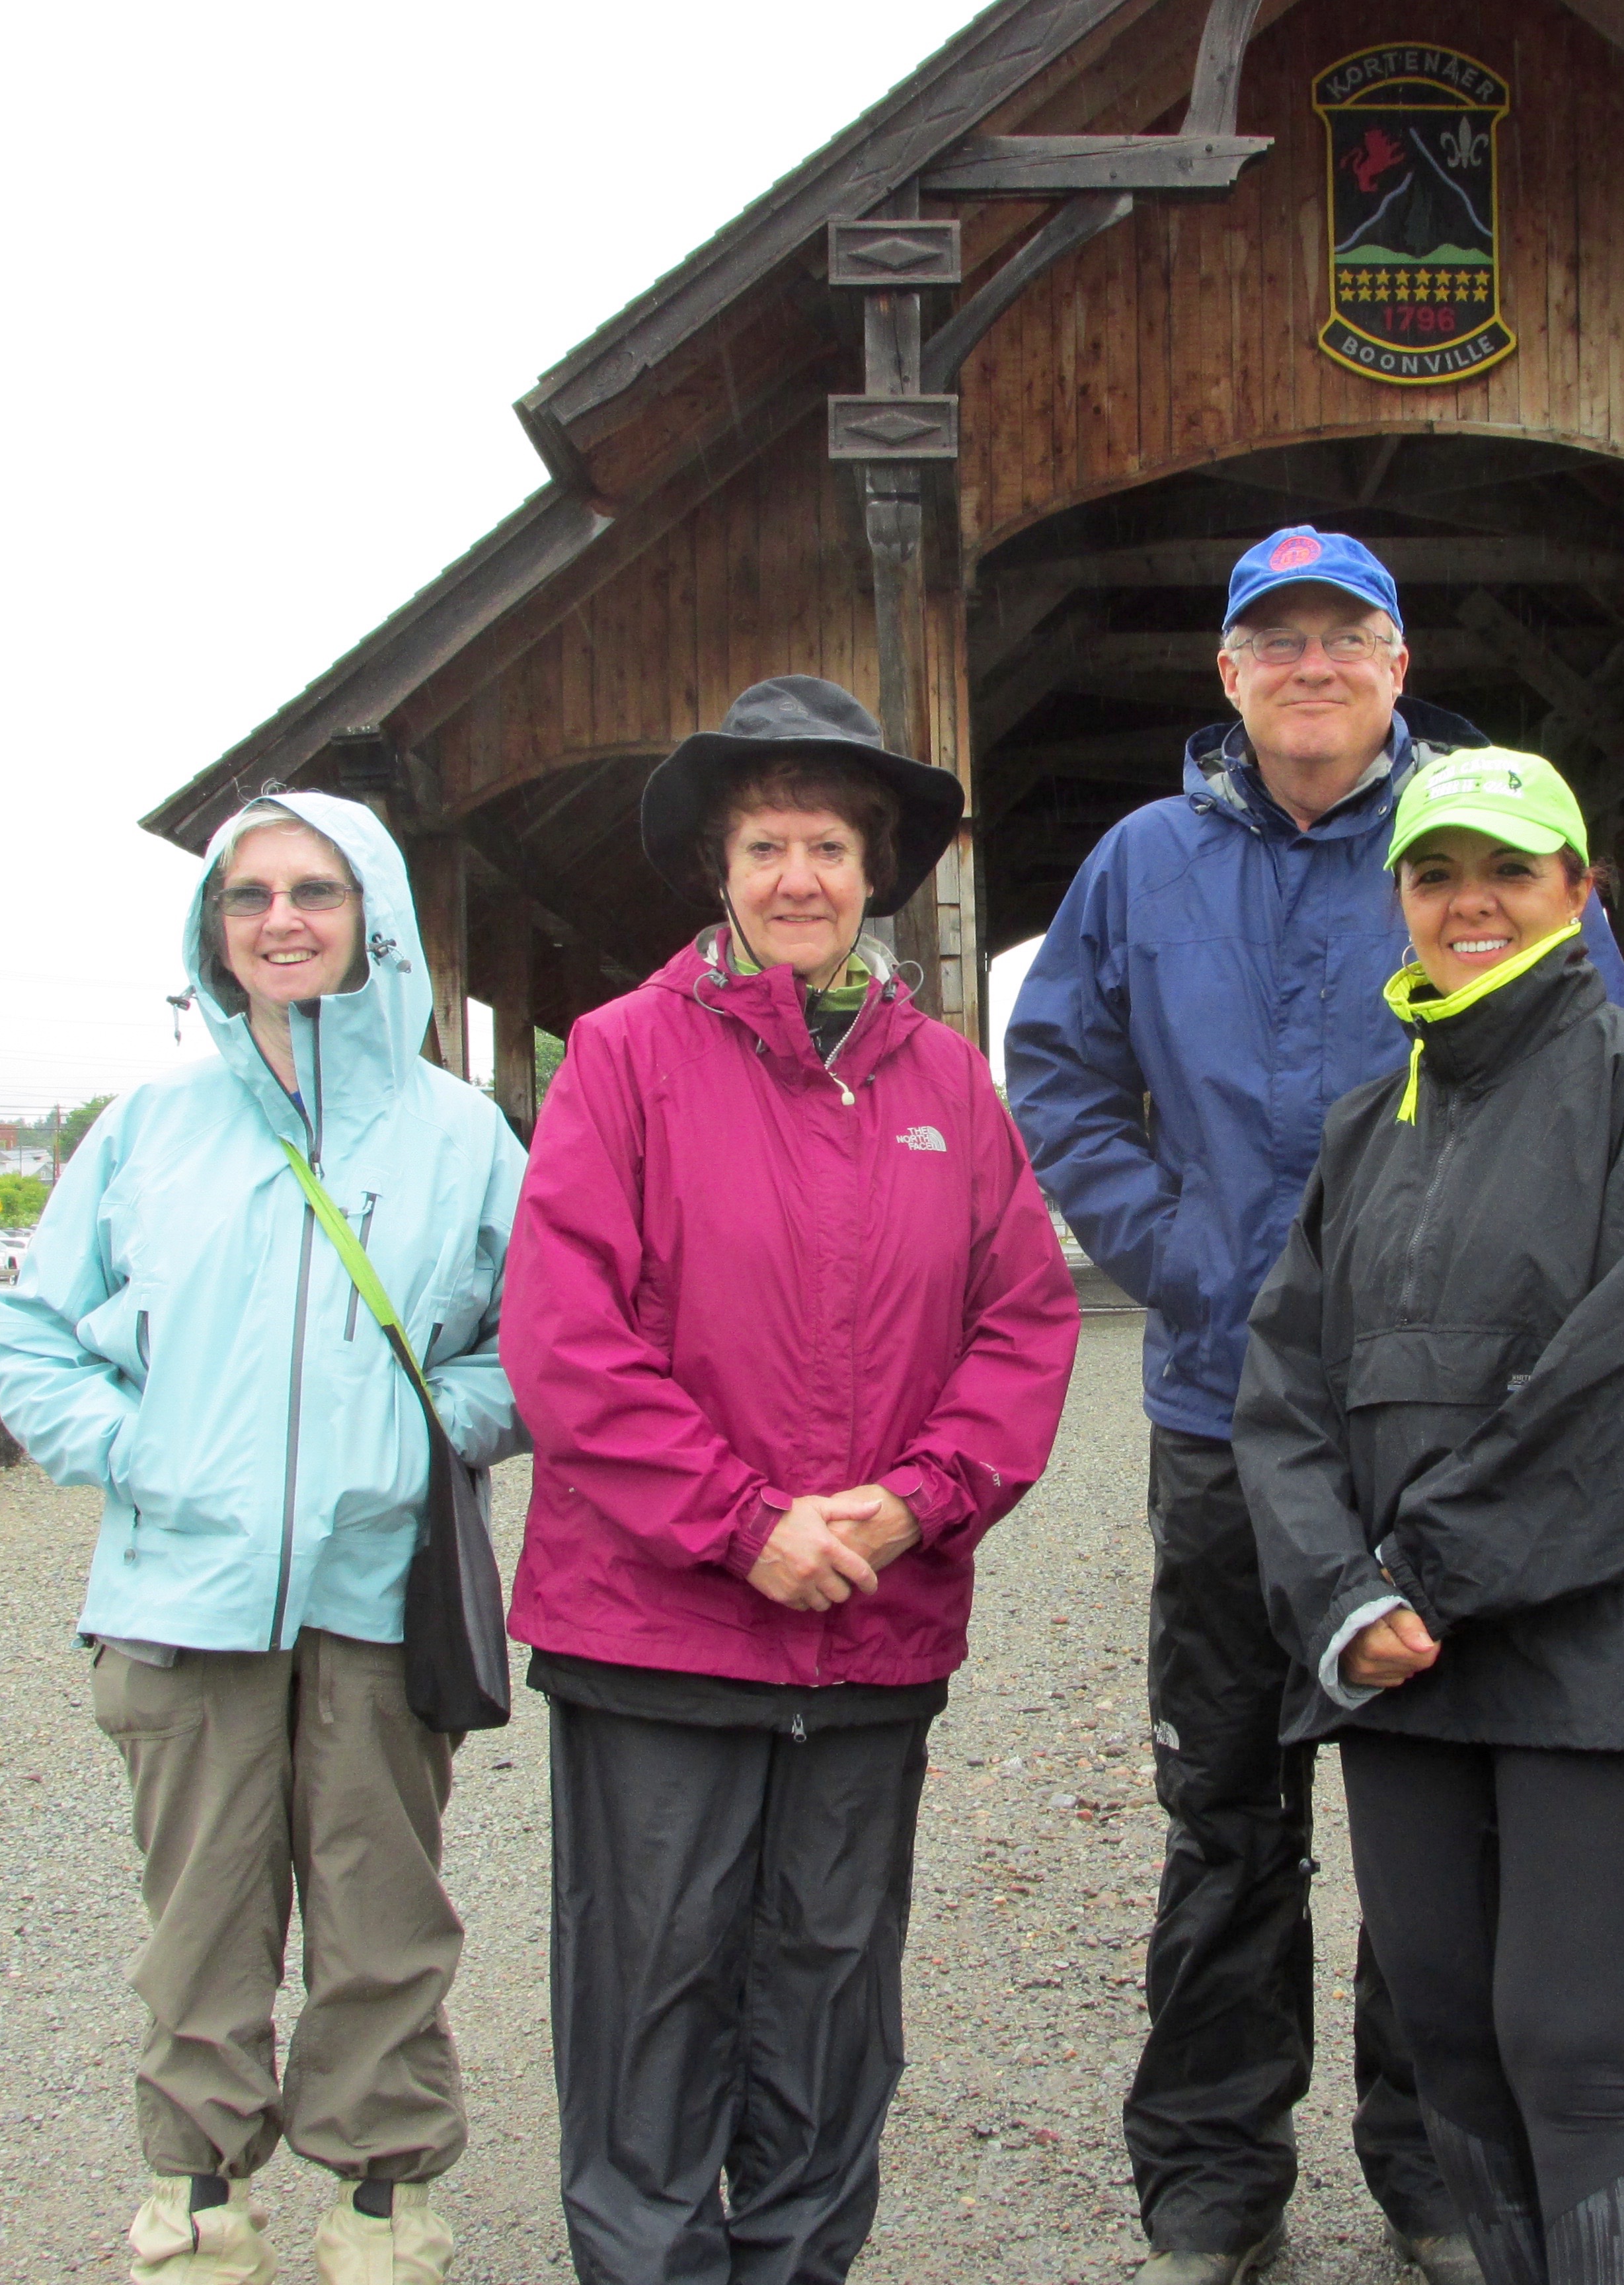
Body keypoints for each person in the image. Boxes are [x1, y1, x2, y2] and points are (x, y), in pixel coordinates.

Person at [1007, 528, 1624, 2285]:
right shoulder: (1144, 862)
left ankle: (1433, 2165)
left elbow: (1606, 1076)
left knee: (1437, 1807)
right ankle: (1212, 2180)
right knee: (1227, 1807)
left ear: (1394, 656)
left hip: (1441, 1425)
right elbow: (1054, 1061)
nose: (1307, 664)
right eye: (1269, 638)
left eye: (1340, 634)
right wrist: (1173, 1250)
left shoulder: (1473, 841)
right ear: (1225, 674)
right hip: (1222, 1410)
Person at [500, 674, 1079, 2285]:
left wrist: (914, 1503)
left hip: (868, 1625)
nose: (799, 879)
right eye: (766, 847)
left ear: (873, 869)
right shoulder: (621, 1058)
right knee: (655, 1979)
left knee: (830, 1980)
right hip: (662, 1631)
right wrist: (743, 1525)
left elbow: (1024, 1321)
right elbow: (566, 1339)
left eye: (829, 845)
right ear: (721, 871)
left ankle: (803, 2263)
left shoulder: (948, 1082)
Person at [1237, 747, 1624, 2285]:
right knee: (1450, 2034)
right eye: (1436, 873)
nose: (1470, 902)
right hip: (1404, 1657)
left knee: (1574, 2050)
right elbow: (1282, 1391)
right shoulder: (1367, 1132)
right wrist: (1338, 1596)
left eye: (1508, 869)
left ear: (1578, 888)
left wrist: (1425, 1568)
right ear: (1400, 901)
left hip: (1604, 1653)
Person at [0, 791, 527, 2285]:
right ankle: (199, 2196)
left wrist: (430, 1433)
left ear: (378, 921)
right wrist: (141, 1453)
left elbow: (536, 1343)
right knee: (200, 1919)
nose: (280, 920)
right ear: (213, 931)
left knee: (382, 1911)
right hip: (177, 1596)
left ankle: (382, 2193)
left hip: (377, 1594)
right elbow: (29, 1339)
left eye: (316, 892)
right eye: (249, 896)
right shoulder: (148, 1127)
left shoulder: (459, 1134)